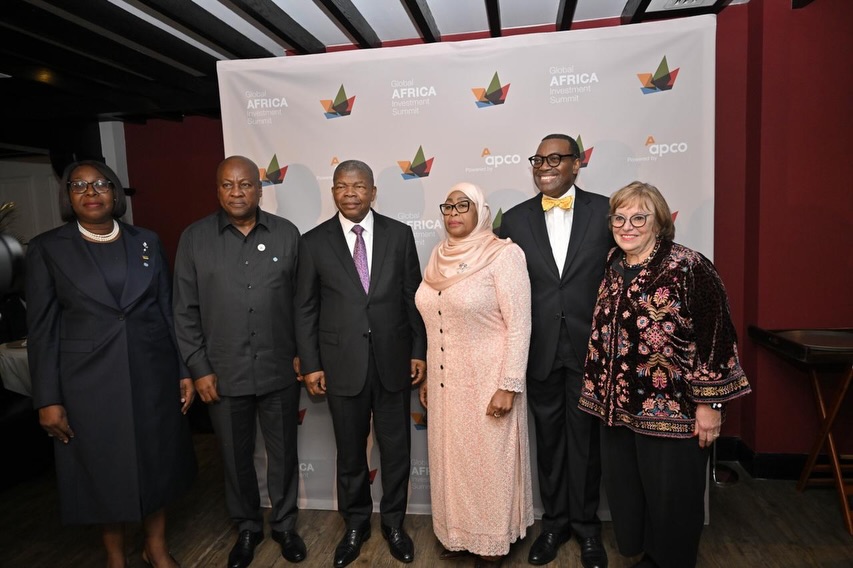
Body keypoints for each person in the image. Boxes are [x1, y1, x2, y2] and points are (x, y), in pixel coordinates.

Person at [26, 160, 196, 568]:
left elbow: (165, 309)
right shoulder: (47, 248)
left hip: (151, 373)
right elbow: (42, 329)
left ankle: (155, 546)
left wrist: (182, 369)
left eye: (100, 183)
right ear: (68, 197)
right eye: (79, 186)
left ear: (115, 192)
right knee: (104, 470)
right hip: (88, 384)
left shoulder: (146, 242)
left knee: (156, 462)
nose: (91, 192)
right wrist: (47, 398)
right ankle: (114, 556)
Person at [579, 181, 751, 568]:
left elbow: (717, 336)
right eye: (619, 218)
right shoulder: (613, 264)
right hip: (620, 410)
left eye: (639, 217)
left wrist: (711, 404)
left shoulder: (689, 266)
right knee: (632, 493)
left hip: (675, 413)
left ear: (659, 222)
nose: (628, 225)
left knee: (672, 499)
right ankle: (652, 558)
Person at [172, 156, 305, 568]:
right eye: (227, 185)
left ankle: (284, 526)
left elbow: (303, 304)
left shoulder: (287, 235)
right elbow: (184, 311)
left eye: (244, 185)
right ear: (217, 190)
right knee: (234, 456)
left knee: (283, 455)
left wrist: (305, 355)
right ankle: (248, 526)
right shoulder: (194, 239)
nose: (236, 192)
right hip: (222, 374)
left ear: (259, 189)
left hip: (280, 369)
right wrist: (198, 368)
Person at [295, 159, 427, 568]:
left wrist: (418, 350)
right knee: (350, 453)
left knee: (396, 451)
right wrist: (312, 363)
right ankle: (355, 524)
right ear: (332, 191)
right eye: (341, 186)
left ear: (372, 191)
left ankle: (393, 524)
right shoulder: (313, 241)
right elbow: (304, 308)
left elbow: (413, 298)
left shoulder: (399, 235)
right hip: (340, 365)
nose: (350, 193)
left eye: (358, 186)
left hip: (392, 362)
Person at [498, 134, 612, 568]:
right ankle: (553, 525)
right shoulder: (515, 219)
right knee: (548, 443)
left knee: (586, 444)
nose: (544, 166)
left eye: (555, 158)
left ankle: (587, 529)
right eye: (538, 159)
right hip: (539, 350)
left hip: (591, 350)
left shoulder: (604, 211)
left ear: (576, 164)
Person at [416, 183, 534, 566]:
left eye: (463, 205)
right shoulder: (437, 257)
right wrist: (434, 377)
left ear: (480, 211)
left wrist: (509, 385)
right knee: (451, 462)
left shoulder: (504, 255)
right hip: (445, 381)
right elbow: (435, 321)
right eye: (447, 205)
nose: (453, 212)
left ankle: (492, 542)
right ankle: (458, 534)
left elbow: (520, 326)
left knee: (489, 466)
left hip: (489, 381)